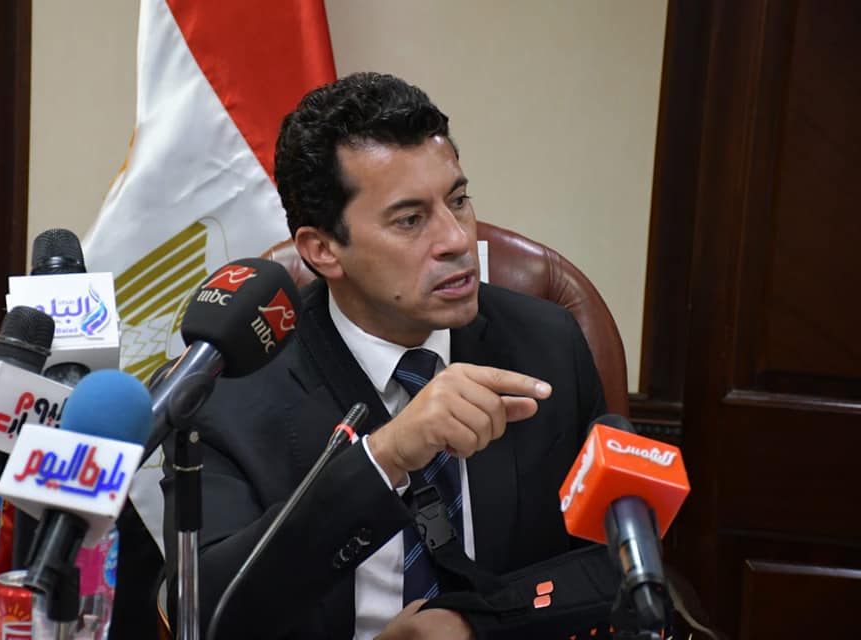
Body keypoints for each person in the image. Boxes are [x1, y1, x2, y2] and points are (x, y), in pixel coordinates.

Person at [162, 72, 617, 639]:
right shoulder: (230, 390)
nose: (457, 239)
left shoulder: (546, 344)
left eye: (458, 201)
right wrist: (383, 458)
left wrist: (472, 624)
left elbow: (617, 566)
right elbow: (207, 612)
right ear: (322, 250)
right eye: (410, 220)